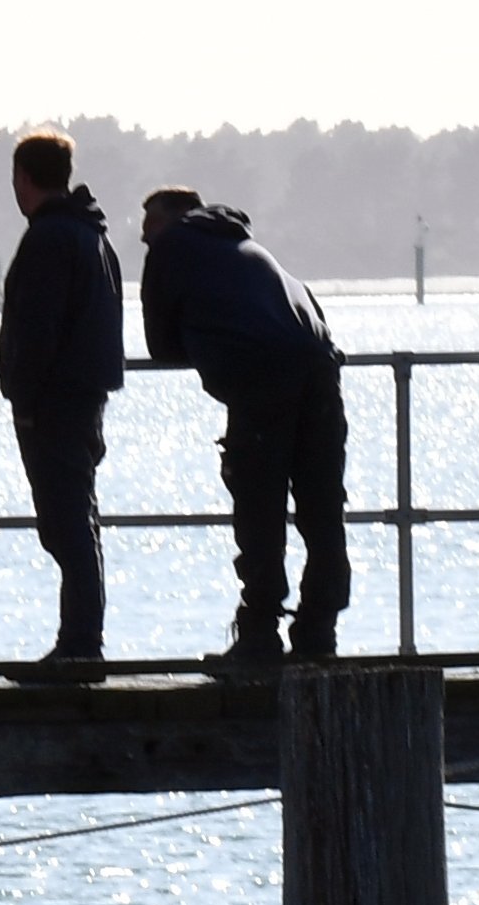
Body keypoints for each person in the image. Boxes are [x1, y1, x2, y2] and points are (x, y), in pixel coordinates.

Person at [137, 188, 347, 674]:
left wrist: (204, 340)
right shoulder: (243, 245)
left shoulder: (171, 248)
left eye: (148, 222)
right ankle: (319, 629)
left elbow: (159, 344)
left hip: (259, 376)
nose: (143, 234)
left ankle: (259, 634)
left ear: (172, 218)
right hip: (318, 366)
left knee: (259, 507)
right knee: (321, 505)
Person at [0, 128, 126, 664]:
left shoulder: (49, 239)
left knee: (64, 522)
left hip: (54, 402)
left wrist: (22, 400)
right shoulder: (91, 235)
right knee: (76, 518)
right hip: (85, 394)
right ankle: (81, 639)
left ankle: (79, 645)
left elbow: (37, 328)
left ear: (23, 178)